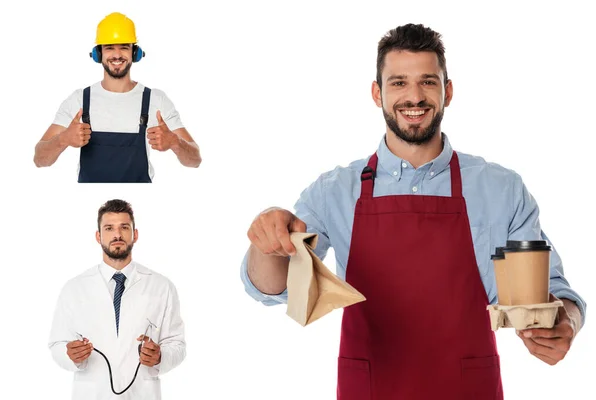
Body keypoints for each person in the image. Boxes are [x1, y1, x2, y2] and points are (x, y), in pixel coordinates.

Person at [241, 24, 587, 399]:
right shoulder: (335, 191)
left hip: (468, 389)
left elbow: (552, 291)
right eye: (398, 83)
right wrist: (267, 240)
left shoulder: (500, 188)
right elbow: (276, 289)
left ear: (447, 91)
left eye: (427, 81)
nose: (414, 97)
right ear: (377, 93)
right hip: (372, 388)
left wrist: (565, 319)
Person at [33, 12, 201, 182]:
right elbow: (39, 159)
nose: (117, 55)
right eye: (109, 48)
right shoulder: (79, 100)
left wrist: (175, 142)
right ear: (98, 54)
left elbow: (195, 161)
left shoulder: (156, 100)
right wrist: (63, 140)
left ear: (135, 53)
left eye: (124, 47)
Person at [48, 199, 186, 399]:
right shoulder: (74, 288)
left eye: (124, 227)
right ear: (98, 236)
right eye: (109, 228)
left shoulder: (162, 287)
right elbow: (57, 345)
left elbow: (178, 345)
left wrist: (160, 357)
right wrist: (70, 356)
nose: (117, 235)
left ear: (135, 234)